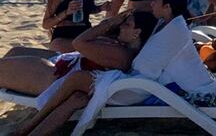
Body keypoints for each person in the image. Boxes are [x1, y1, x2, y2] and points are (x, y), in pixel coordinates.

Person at [70, 0, 216, 134]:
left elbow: (146, 68)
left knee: (78, 81)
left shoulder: (174, 32)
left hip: (201, 94)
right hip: (184, 86)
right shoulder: (166, 24)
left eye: (156, 1)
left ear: (167, 7)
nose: (152, 4)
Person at [13, 11, 158, 136]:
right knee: (76, 98)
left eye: (127, 24)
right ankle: (30, 127)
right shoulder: (122, 45)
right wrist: (110, 26)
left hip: (66, 75)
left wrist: (111, 23)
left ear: (137, 33)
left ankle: (30, 125)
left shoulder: (123, 55)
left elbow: (78, 42)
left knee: (75, 92)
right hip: (73, 71)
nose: (121, 26)